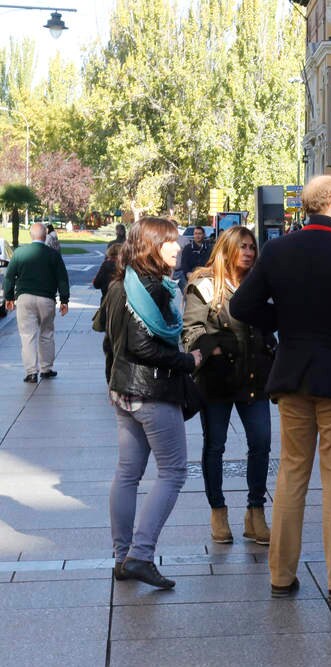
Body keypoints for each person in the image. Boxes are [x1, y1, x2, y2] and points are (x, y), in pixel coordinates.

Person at [229, 175, 331, 601]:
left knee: (291, 474)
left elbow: (242, 305)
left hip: (294, 375)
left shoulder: (278, 250)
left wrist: (284, 323)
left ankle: (281, 575)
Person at [95, 217, 202, 589]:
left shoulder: (119, 284)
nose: (179, 248)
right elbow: (142, 346)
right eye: (170, 242)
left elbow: (109, 339)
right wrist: (189, 361)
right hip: (152, 393)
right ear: (151, 246)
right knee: (173, 472)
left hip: (124, 392)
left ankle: (122, 556)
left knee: (127, 474)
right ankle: (139, 555)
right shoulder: (152, 287)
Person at [182, 227, 275, 546]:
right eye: (243, 247)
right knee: (215, 445)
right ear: (227, 249)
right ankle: (218, 511)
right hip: (218, 378)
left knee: (261, 442)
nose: (249, 252)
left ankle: (255, 512)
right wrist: (217, 348)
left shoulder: (260, 284)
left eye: (252, 247)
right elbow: (190, 331)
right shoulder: (205, 285)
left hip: (254, 378)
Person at [3, 222, 69, 383]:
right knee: (46, 333)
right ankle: (46, 369)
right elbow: (62, 278)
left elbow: (9, 277)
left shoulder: (19, 253)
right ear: (45, 235)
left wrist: (9, 297)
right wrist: (64, 300)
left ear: (30, 236)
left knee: (27, 336)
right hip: (46, 298)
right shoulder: (53, 255)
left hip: (24, 298)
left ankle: (31, 372)